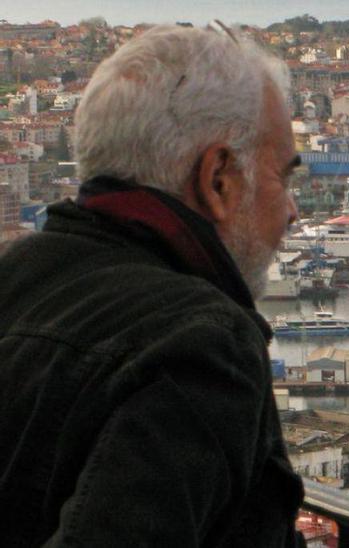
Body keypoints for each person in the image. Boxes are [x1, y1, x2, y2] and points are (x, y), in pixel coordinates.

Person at [0, 25, 303, 546]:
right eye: (285, 177)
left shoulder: (17, 273)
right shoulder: (203, 346)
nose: (293, 211)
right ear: (218, 179)